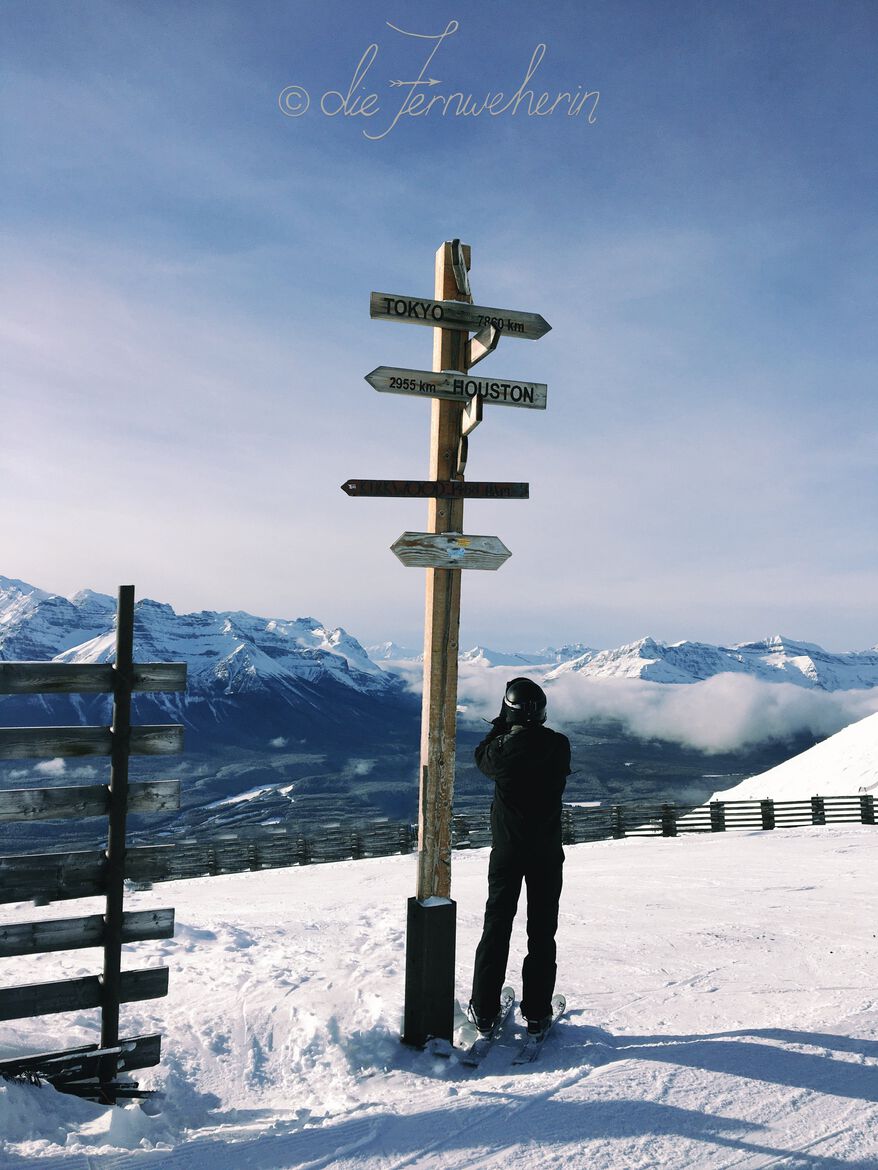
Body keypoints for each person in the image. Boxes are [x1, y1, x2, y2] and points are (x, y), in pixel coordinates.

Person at [469, 677, 571, 1035]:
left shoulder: (499, 751)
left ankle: (483, 1009)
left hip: (507, 853)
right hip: (546, 853)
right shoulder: (559, 746)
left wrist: (501, 724)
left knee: (496, 927)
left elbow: (481, 756)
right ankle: (538, 1012)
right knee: (542, 932)